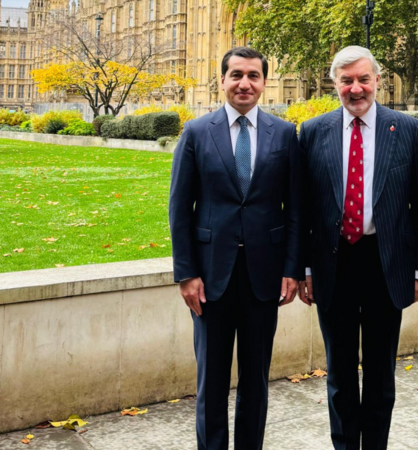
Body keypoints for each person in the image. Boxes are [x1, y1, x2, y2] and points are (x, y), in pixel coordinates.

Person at [298, 45, 418, 450]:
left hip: (384, 264)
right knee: (339, 374)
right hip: (333, 264)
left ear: (378, 80)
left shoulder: (405, 129)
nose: (355, 88)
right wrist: (305, 269)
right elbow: (303, 207)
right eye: (346, 81)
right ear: (335, 84)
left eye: (363, 79)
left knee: (379, 374)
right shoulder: (313, 131)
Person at [168, 46, 302, 450]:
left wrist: (292, 269)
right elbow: (179, 208)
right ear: (222, 80)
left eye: (253, 76)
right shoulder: (196, 133)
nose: (245, 83)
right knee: (211, 380)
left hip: (264, 275)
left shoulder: (284, 134)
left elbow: (296, 209)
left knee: (256, 381)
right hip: (210, 278)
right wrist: (186, 273)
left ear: (264, 82)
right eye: (237, 75)